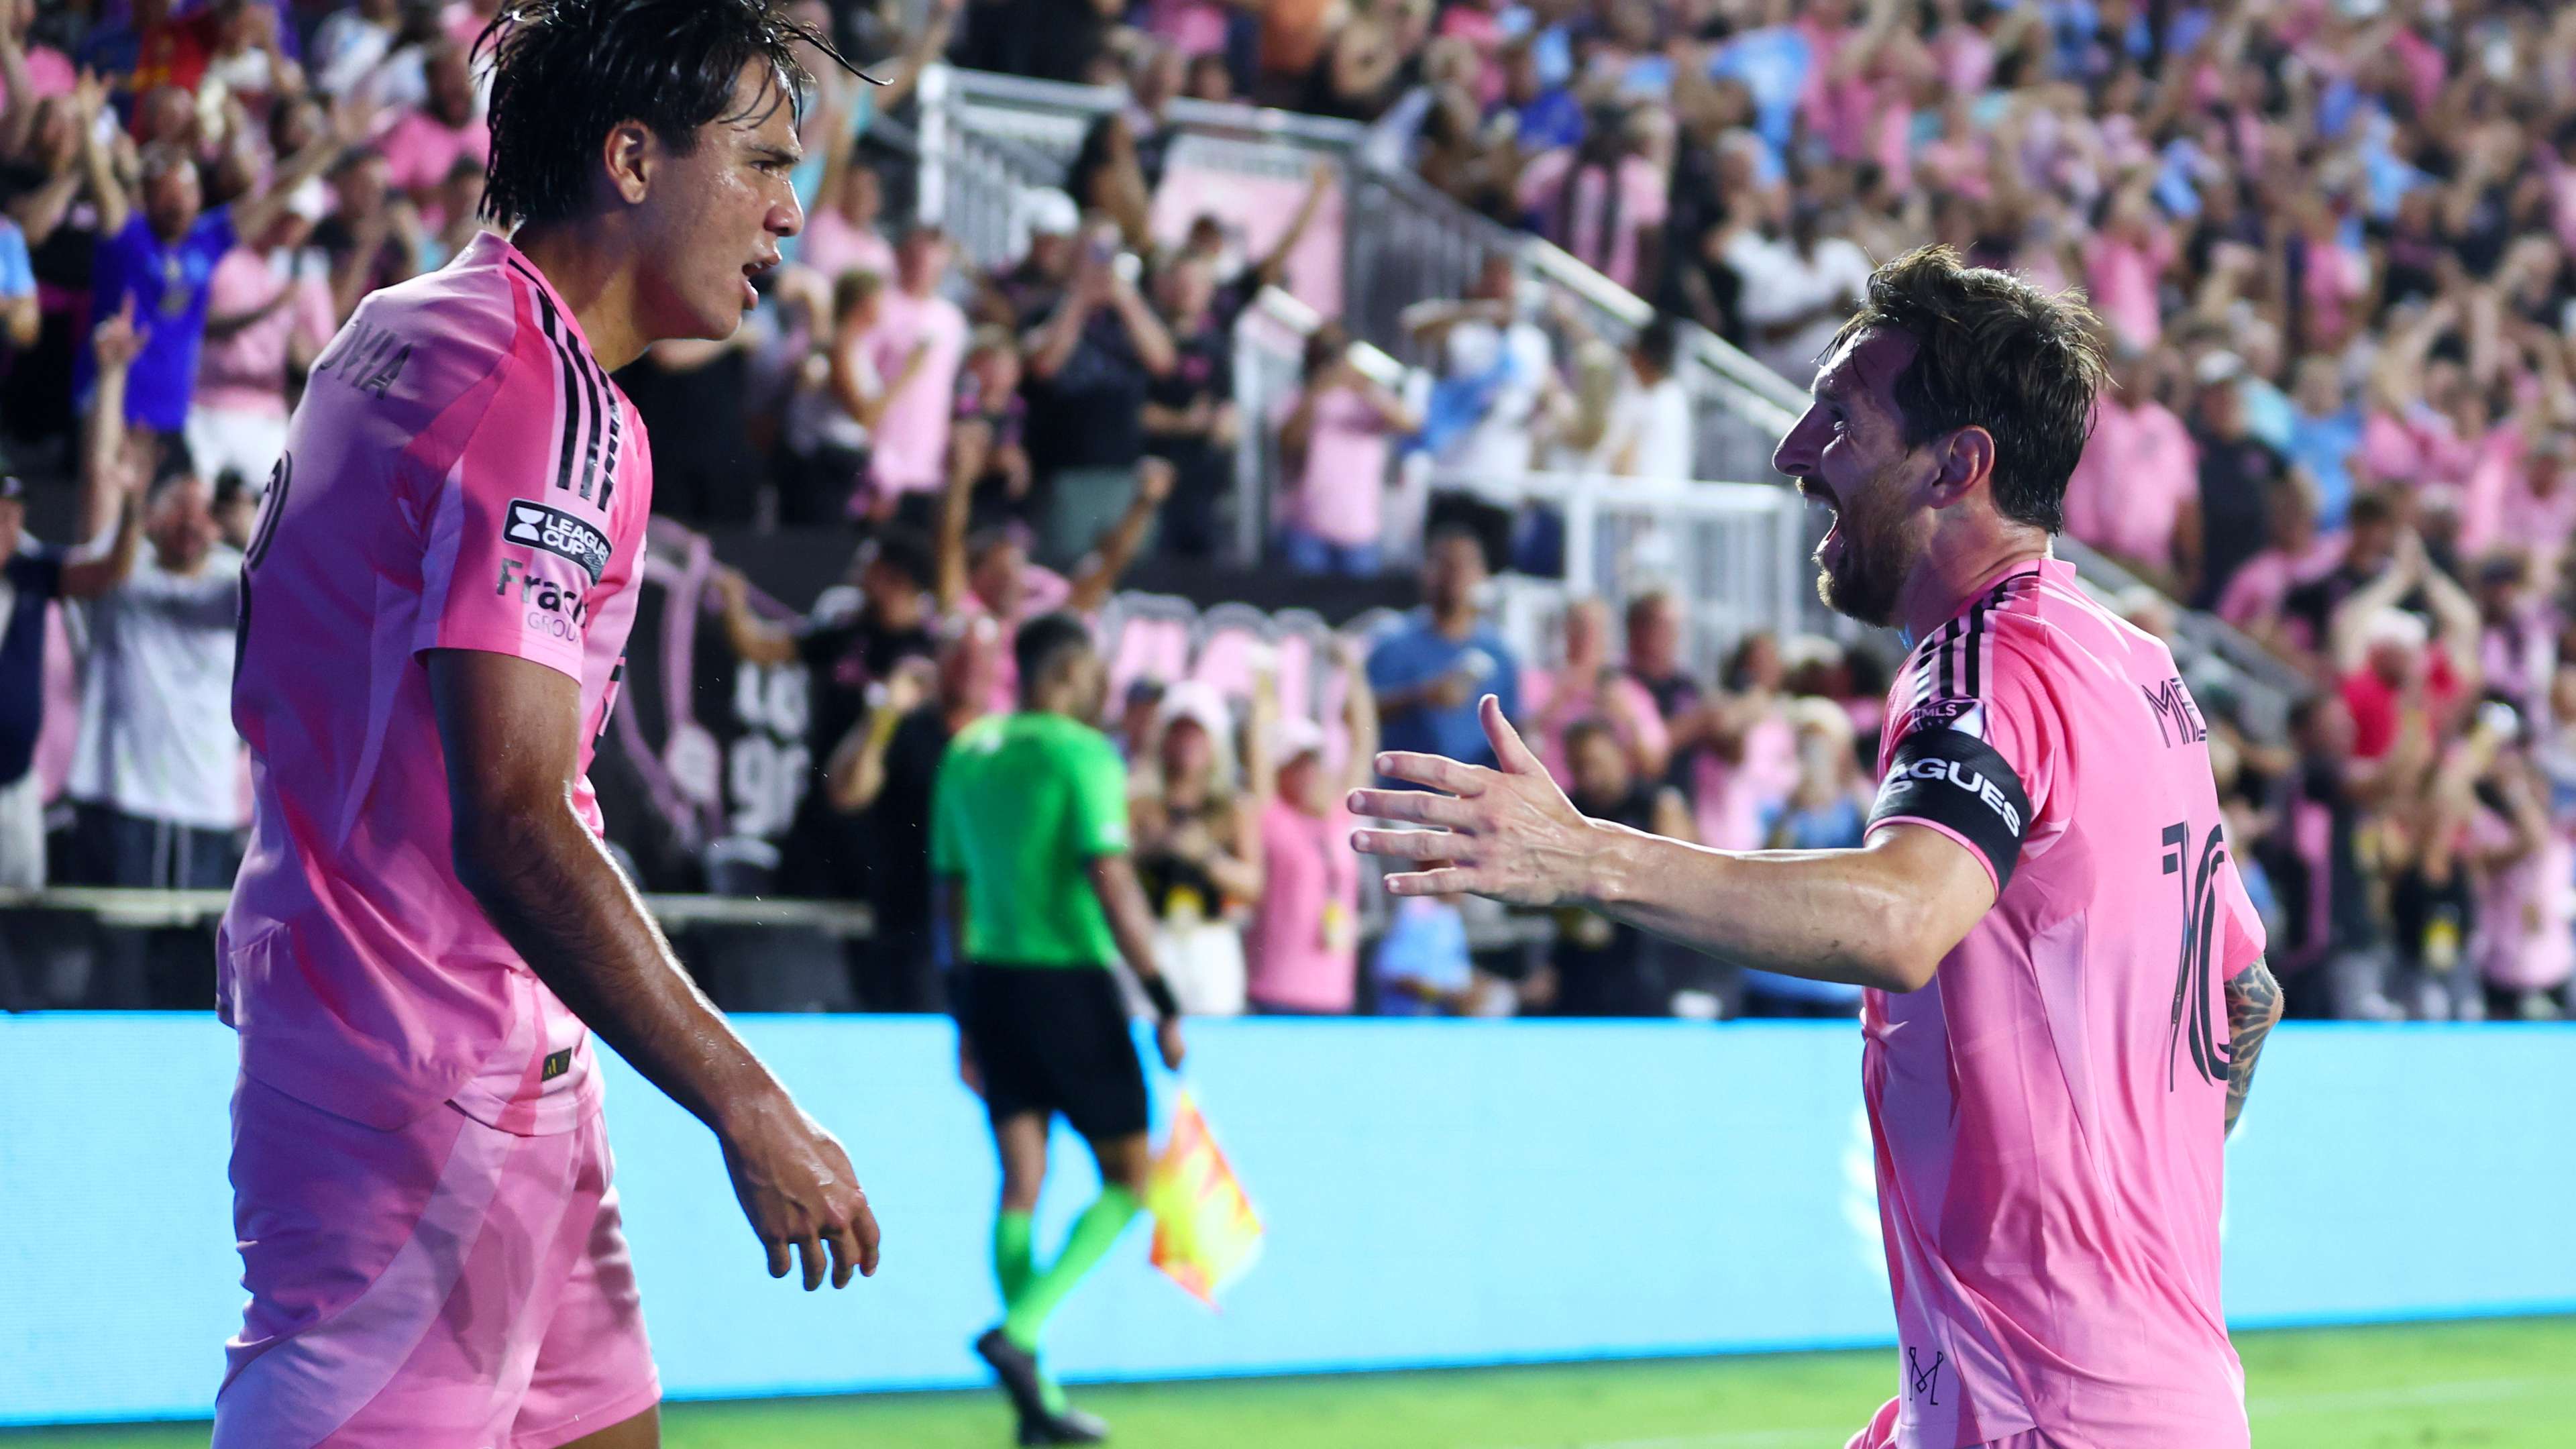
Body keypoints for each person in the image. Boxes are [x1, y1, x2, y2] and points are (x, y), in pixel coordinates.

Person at [1352, 248, 2282, 1449]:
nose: (1795, 452)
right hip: (2144, 1395)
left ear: (1959, 465)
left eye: (1839, 418)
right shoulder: (2137, 667)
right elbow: (2245, 991)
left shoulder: (1977, 664)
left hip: (2042, 1418)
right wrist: (2105, 1229)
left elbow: (1901, 920)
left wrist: (1583, 855)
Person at [215, 7, 885, 1446]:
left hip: (422, 1035)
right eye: (765, 163)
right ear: (633, 158)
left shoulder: (398, 329)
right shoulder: (554, 411)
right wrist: (748, 1102)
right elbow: (513, 821)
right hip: (435, 1069)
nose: (792, 213)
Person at [932, 612, 1189, 1445]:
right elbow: (1111, 880)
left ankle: (1035, 1399)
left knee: (1020, 1183)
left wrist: (962, 1013)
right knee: (1130, 1178)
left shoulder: (967, 754)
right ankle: (1024, 1333)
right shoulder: (1083, 753)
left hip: (992, 988)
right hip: (1071, 989)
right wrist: (1162, 996)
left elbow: (953, 895)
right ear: (1071, 672)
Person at [0, 307, 151, 888]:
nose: (8, 527)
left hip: (28, 789)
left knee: (26, 939)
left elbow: (105, 551)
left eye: (14, 515)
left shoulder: (35, 573)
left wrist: (111, 378)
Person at [710, 528, 938, 899]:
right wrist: (734, 604)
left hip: (889, 820)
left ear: (895, 578)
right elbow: (759, 647)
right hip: (824, 808)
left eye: (869, 567)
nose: (857, 575)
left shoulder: (932, 654)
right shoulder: (848, 635)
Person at [822, 617, 1001, 1012]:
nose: (971, 665)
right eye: (961, 652)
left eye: (982, 655)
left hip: (988, 939)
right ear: (939, 660)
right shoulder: (907, 728)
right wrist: (885, 712)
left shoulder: (1002, 744)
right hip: (910, 935)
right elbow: (846, 793)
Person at [1246, 640, 1379, 1014]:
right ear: (1280, 772)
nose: (1307, 773)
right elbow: (1258, 749)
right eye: (1295, 765)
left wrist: (1353, 673)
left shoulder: (1340, 817)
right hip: (1276, 988)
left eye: (1313, 762)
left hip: (1333, 993)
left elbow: (1363, 742)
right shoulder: (1273, 817)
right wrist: (1263, 682)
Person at [1367, 523, 1521, 773]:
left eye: (1465, 565)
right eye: (1446, 564)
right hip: (1403, 793)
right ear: (1426, 571)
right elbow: (1357, 713)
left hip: (1477, 798)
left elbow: (1515, 725)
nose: (1456, 574)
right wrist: (1422, 696)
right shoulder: (1393, 643)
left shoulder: (1500, 654)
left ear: (1482, 574)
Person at [1275, 321, 1415, 576]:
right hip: (1306, 528)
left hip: (1359, 532)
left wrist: (1361, 385)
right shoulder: (1298, 398)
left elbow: (1409, 424)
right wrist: (1319, 389)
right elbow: (1288, 442)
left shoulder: (1365, 397)